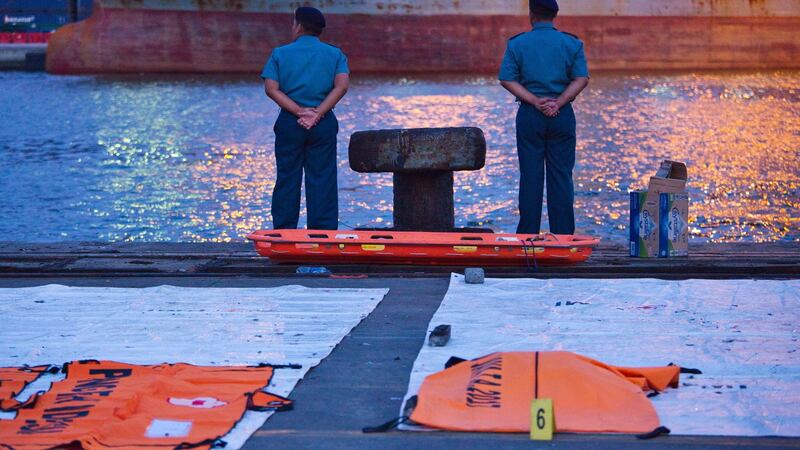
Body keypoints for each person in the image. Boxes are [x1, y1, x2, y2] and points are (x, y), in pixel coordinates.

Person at [498, 0, 589, 235]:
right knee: (561, 177)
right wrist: (558, 102)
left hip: (530, 115)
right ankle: (564, 236)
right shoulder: (572, 43)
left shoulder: (518, 43)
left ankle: (528, 236)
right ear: (555, 14)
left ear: (532, 14)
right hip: (562, 114)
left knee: (530, 177)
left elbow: (506, 79)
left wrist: (534, 100)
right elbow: (581, 78)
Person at [261, 7, 349, 230]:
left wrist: (300, 112)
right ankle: (322, 234)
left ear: (298, 26)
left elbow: (271, 89)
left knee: (287, 177)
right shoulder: (335, 54)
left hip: (290, 123)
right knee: (322, 178)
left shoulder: (280, 54)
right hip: (323, 122)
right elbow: (342, 86)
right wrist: (317, 113)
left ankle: (284, 232)